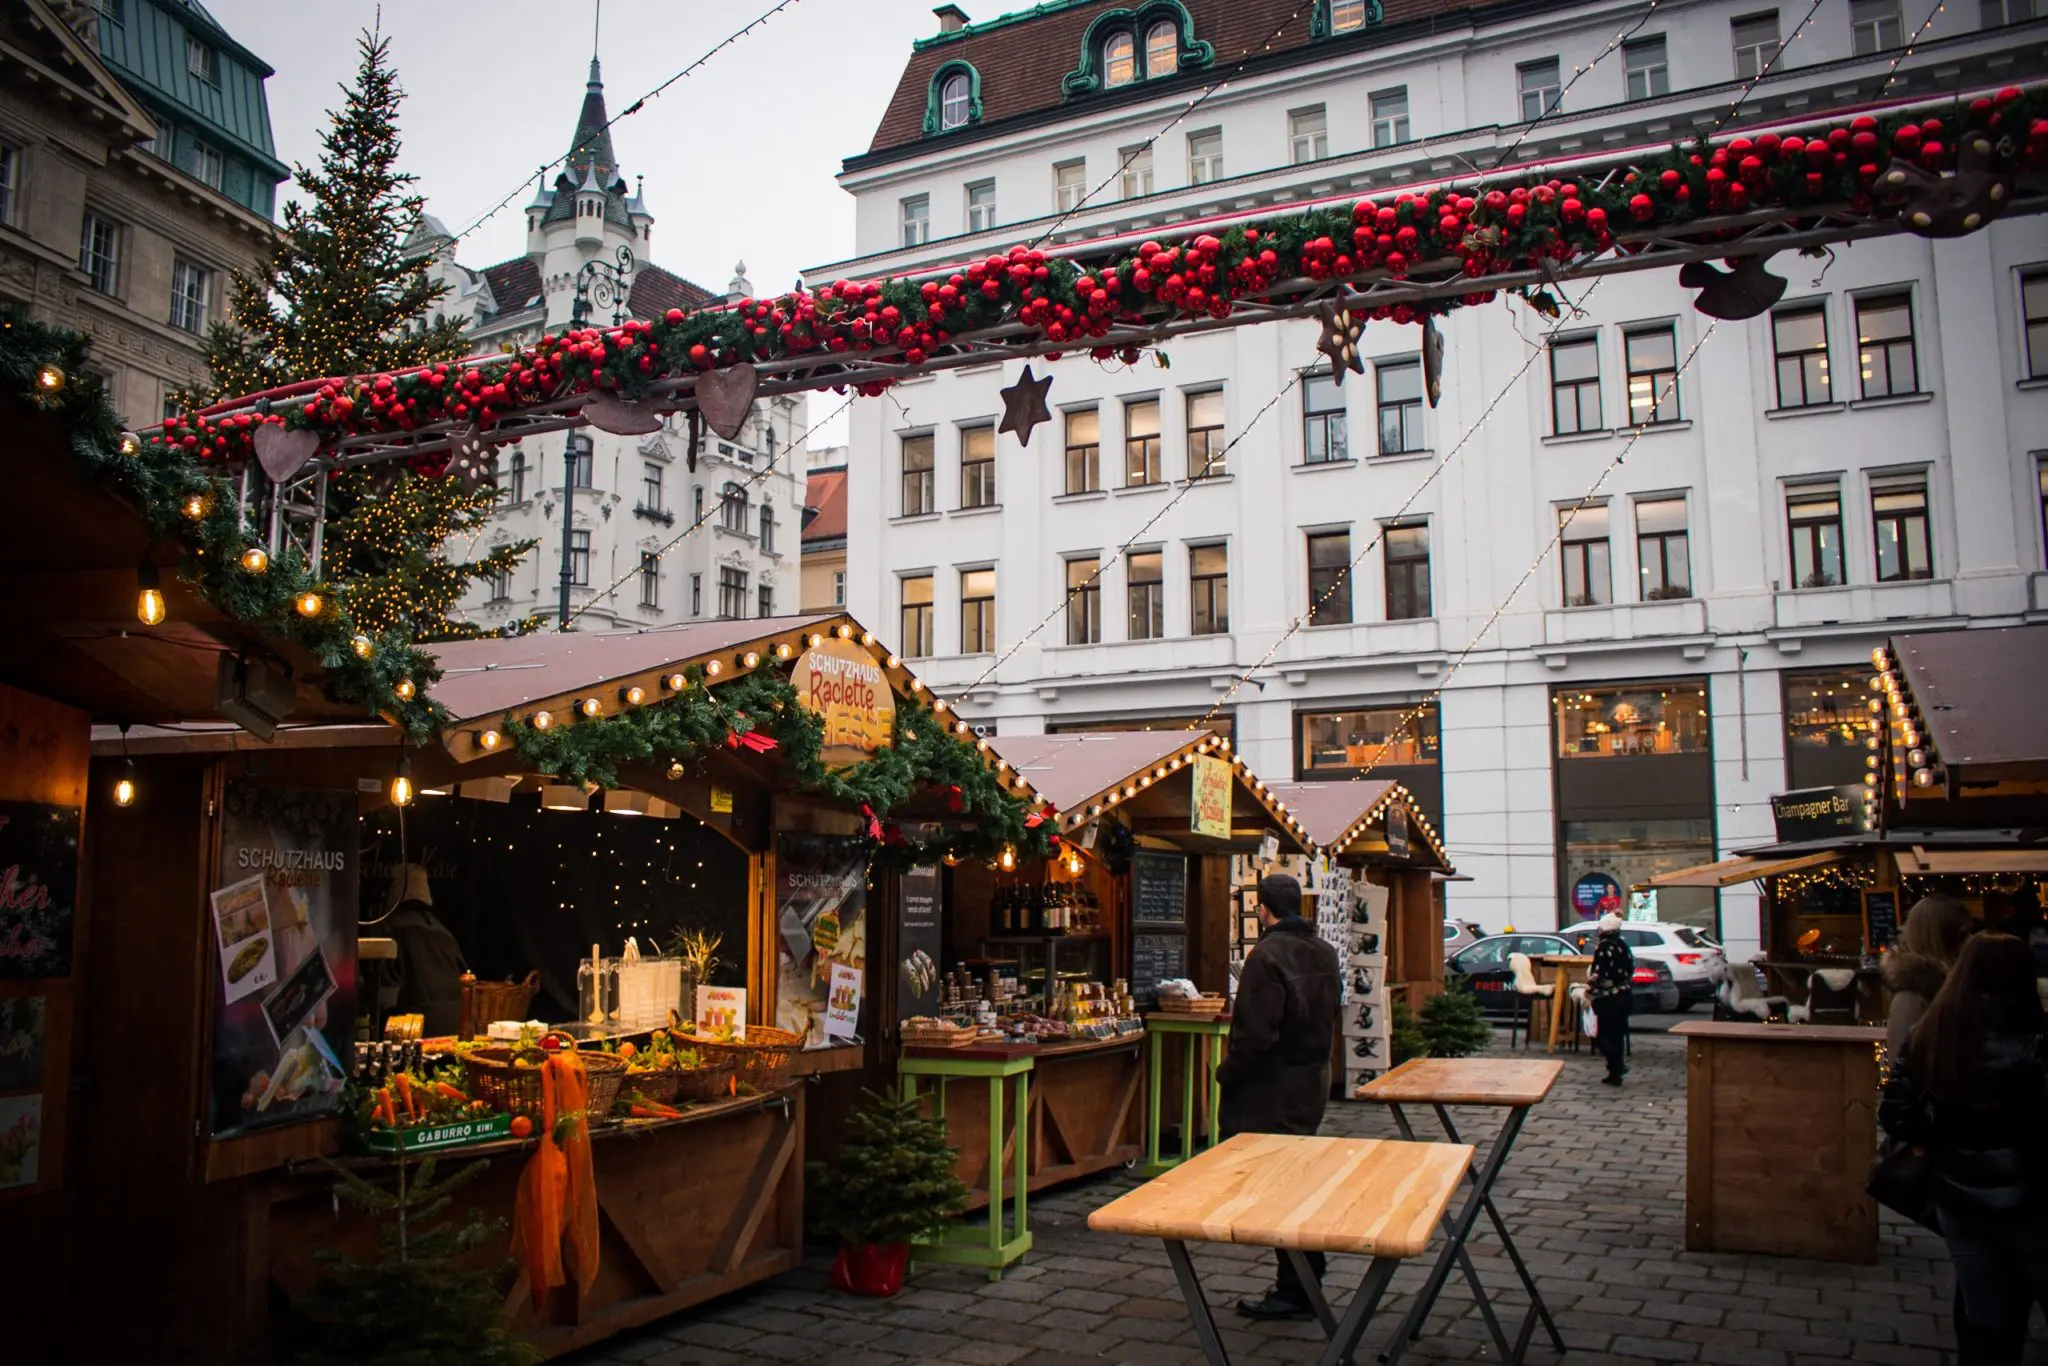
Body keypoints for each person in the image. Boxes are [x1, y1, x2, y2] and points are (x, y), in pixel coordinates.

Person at [1879, 933, 2048, 1364]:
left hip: (1958, 1194)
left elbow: (1896, 1114)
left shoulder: (1931, 1034)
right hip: (2032, 1198)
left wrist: (1934, 1143)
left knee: (1983, 1318)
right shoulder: (2035, 1041)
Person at [1216, 873, 1341, 1321]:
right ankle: (1303, 1275)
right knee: (1296, 1181)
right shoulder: (1325, 952)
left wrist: (1225, 1074)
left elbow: (1255, 1033)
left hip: (1272, 1089)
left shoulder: (1265, 956)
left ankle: (1297, 1286)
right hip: (1313, 1083)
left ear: (1263, 909)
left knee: (1279, 1189)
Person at [377, 863, 466, 1037]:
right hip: (457, 1026)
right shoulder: (443, 932)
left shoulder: (390, 929)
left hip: (413, 1028)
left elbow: (385, 997)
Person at [1884, 894, 1976, 1057]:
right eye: (1963, 934)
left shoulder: (1961, 983)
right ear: (1941, 938)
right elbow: (1901, 1060)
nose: (1970, 940)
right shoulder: (1912, 995)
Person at [1587, 912, 1633, 1086]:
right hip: (1625, 996)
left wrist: (1590, 990)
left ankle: (1616, 1066)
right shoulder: (1623, 946)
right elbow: (1630, 970)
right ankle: (1615, 1072)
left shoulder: (1604, 948)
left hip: (1609, 999)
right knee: (1617, 1035)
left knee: (1603, 1036)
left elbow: (1599, 973)